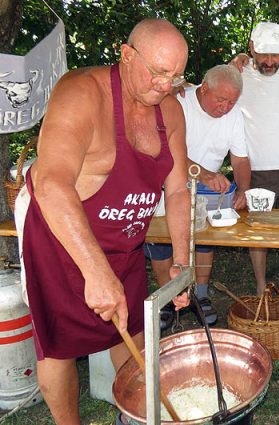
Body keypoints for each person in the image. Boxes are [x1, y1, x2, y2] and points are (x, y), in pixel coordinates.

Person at [14, 19, 191, 425]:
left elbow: (178, 189)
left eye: (176, 75)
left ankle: (141, 415)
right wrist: (94, 271)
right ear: (127, 55)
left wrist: (179, 262)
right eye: (158, 72)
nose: (166, 85)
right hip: (59, 236)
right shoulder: (81, 93)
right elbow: (50, 181)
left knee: (128, 330)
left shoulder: (171, 112)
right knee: (58, 345)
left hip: (123, 242)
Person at [145, 64, 251, 329]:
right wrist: (202, 173)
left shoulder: (234, 114)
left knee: (205, 241)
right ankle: (169, 298)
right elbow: (166, 152)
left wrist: (243, 188)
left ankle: (200, 296)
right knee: (162, 242)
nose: (226, 107)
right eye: (221, 99)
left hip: (206, 189)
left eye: (232, 101)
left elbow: (240, 159)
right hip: (166, 184)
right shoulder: (178, 102)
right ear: (204, 89)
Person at [235, 22, 279, 297]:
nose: (270, 61)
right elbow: (210, 89)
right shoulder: (238, 73)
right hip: (253, 170)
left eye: (275, 54)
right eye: (263, 54)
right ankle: (260, 284)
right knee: (257, 233)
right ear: (251, 48)